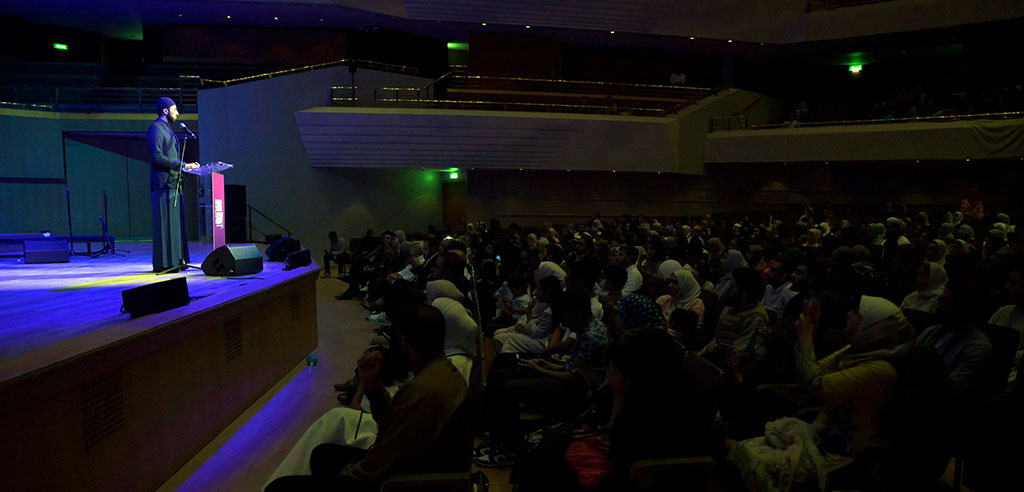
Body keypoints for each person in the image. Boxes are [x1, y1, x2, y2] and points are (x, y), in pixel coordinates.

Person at [266, 305, 469, 492]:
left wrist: (345, 475)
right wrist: (372, 386)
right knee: (322, 455)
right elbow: (392, 424)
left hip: (396, 482)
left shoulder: (423, 390)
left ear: (403, 340)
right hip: (413, 469)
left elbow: (385, 461)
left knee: (278, 488)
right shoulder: (445, 375)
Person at [147, 97, 198, 272]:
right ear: (165, 111)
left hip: (173, 184)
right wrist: (183, 165)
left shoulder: (167, 129)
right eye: (174, 109)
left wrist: (186, 167)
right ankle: (165, 264)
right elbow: (157, 157)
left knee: (175, 226)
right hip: (162, 185)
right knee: (165, 225)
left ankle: (177, 260)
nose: (177, 112)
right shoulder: (155, 129)